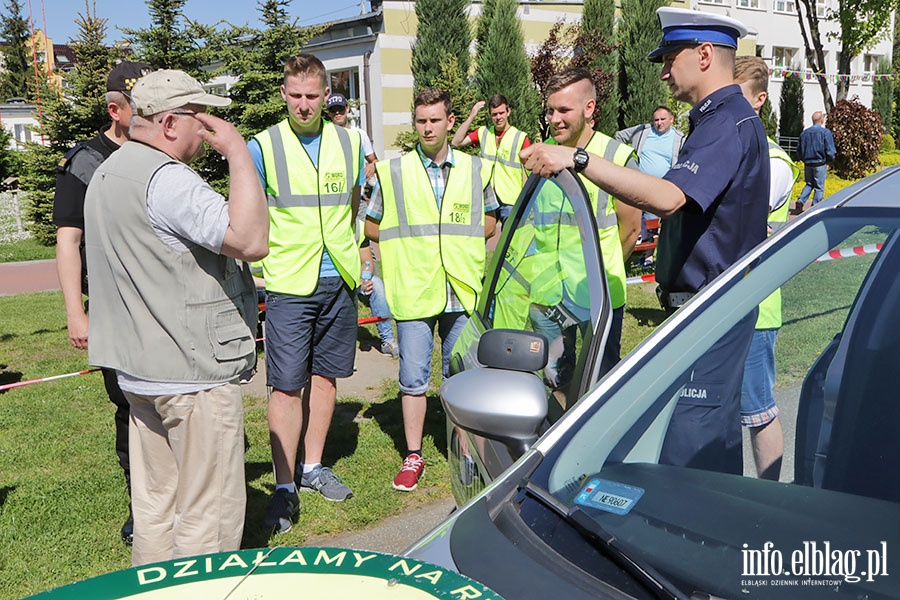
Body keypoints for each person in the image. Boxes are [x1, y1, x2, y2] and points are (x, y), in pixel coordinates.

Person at [521, 7, 770, 475]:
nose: (661, 71)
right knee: (707, 451)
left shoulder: (725, 123)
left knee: (688, 457)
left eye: (669, 58)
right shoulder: (718, 119)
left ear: (702, 54)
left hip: (711, 309)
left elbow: (669, 198)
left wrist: (576, 158)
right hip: (705, 309)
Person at [84, 69, 268, 565]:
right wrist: (237, 153)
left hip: (140, 372)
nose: (207, 126)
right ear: (169, 123)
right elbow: (250, 240)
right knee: (206, 515)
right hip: (191, 376)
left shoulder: (108, 171)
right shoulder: (168, 180)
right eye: (198, 116)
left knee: (156, 506)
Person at [249, 54, 365, 533]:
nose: (303, 105)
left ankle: (312, 467)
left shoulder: (350, 141)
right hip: (288, 283)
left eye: (312, 96)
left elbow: (354, 202)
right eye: (294, 95)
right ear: (283, 94)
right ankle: (283, 486)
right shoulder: (263, 146)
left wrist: (352, 255)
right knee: (285, 385)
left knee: (326, 379)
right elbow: (251, 212)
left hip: (338, 276)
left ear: (327, 93)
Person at [365, 88, 498, 492]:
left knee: (462, 377)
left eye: (435, 120)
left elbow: (491, 220)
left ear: (450, 122)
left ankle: (468, 452)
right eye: (421, 120)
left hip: (461, 287)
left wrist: (457, 243)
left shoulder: (476, 170)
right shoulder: (394, 171)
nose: (427, 127)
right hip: (415, 288)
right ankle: (413, 455)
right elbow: (372, 224)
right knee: (413, 378)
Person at [52, 60, 151, 546]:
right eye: (142, 106)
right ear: (116, 110)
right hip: (113, 307)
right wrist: (76, 312)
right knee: (130, 406)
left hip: (160, 302)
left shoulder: (159, 151)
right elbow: (68, 240)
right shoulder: (86, 162)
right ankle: (142, 508)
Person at [540, 67, 642, 376]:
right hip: (550, 291)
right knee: (557, 375)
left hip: (598, 295)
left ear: (589, 109)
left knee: (602, 375)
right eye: (550, 110)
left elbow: (631, 230)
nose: (554, 119)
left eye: (563, 110)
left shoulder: (616, 156)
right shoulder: (543, 155)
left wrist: (601, 276)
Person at [734, 56, 799, 481]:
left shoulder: (773, 161)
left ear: (758, 101)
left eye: (734, 98)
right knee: (715, 408)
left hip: (756, 306)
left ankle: (768, 493)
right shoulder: (730, 150)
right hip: (718, 303)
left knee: (758, 410)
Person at [615, 105, 686, 252]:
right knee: (636, 218)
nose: (659, 123)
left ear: (671, 119)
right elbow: (619, 136)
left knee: (653, 221)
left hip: (661, 187)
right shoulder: (643, 131)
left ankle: (648, 257)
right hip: (639, 183)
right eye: (656, 120)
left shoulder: (680, 139)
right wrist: (628, 159)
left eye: (663, 119)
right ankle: (637, 253)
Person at [451, 94, 530, 223]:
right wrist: (472, 116)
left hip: (510, 200)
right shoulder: (483, 132)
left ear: (508, 112)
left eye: (501, 113)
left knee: (512, 241)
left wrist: (526, 201)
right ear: (490, 115)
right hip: (487, 197)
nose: (498, 117)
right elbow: (456, 142)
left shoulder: (520, 137)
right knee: (480, 239)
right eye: (494, 114)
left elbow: (528, 172)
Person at [326, 92, 378, 186]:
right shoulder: (325, 135)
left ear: (347, 108)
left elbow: (374, 160)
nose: (337, 113)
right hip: (333, 192)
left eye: (340, 109)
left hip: (356, 192)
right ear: (329, 112)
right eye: (333, 110)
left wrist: (373, 166)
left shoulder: (360, 134)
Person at [796, 110, 836, 212]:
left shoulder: (804, 133)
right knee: (819, 186)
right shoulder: (825, 132)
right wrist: (829, 161)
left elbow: (799, 150)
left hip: (808, 163)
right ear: (822, 120)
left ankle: (801, 200)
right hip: (820, 162)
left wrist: (803, 159)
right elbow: (830, 150)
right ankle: (814, 207)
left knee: (809, 184)